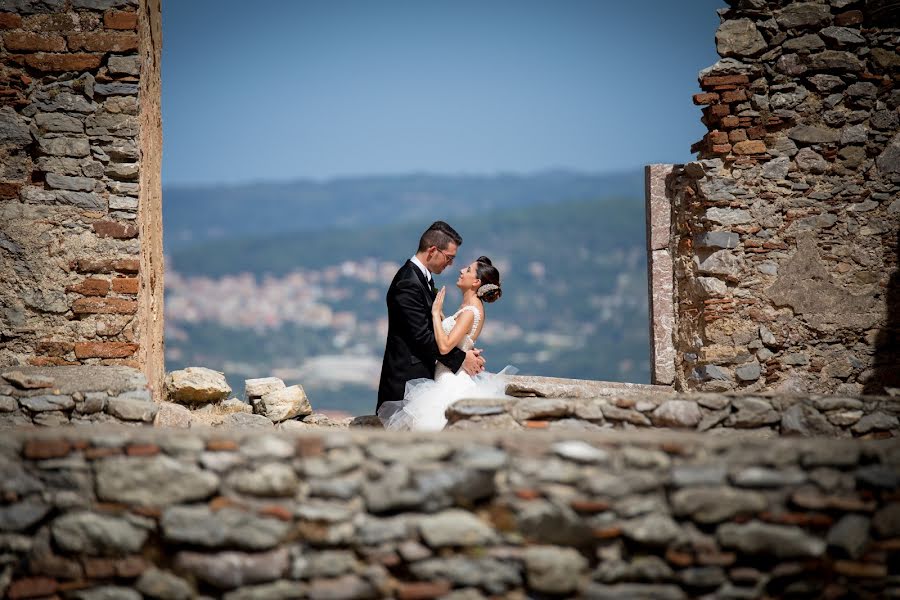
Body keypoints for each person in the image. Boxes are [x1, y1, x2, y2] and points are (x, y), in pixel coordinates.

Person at [379, 255, 513, 431]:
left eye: (468, 270)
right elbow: (456, 339)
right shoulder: (467, 308)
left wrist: (435, 314)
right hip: (445, 375)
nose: (461, 270)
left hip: (450, 380)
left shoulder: (471, 311)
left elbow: (444, 346)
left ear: (476, 282)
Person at [376, 221, 486, 415]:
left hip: (422, 380)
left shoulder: (422, 278)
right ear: (432, 250)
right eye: (449, 257)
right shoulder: (407, 283)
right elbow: (421, 337)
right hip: (405, 382)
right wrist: (461, 358)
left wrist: (464, 347)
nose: (451, 264)